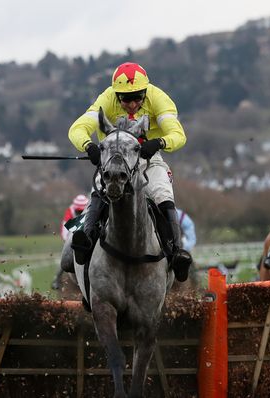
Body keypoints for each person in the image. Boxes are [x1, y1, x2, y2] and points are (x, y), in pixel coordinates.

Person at [67, 62, 193, 282]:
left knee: (162, 192)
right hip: (114, 162)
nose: (133, 104)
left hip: (148, 160)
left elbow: (178, 135)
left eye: (138, 98)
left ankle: (176, 252)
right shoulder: (106, 99)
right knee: (99, 190)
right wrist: (89, 146)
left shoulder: (158, 98)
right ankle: (85, 240)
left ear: (146, 92)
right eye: (126, 99)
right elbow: (77, 128)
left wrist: (159, 142)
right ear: (117, 96)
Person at [52, 194, 90, 291]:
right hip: (71, 233)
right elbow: (65, 226)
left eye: (81, 210)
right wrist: (66, 240)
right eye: (78, 211)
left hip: (85, 231)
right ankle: (57, 279)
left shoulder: (89, 207)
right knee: (65, 256)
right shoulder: (70, 210)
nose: (80, 212)